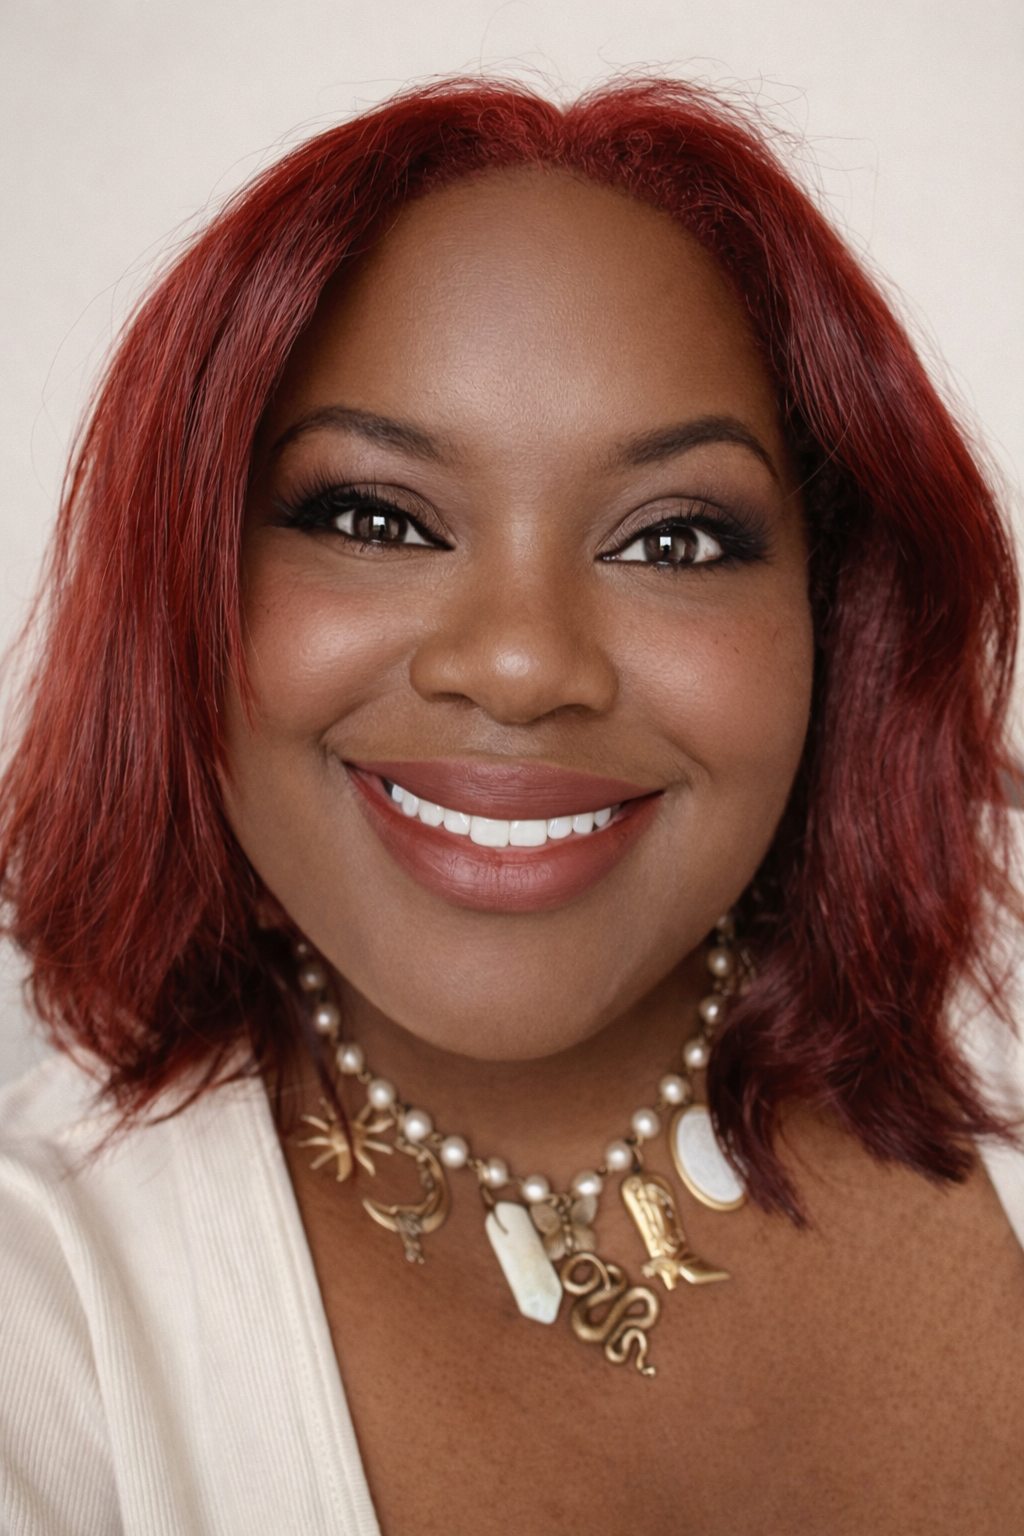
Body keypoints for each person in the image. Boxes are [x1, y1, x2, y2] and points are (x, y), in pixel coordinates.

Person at [0, 77, 1021, 1535]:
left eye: (674, 536)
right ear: (187, 584)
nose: (526, 664)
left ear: (834, 609)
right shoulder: (38, 1321)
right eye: (374, 518)